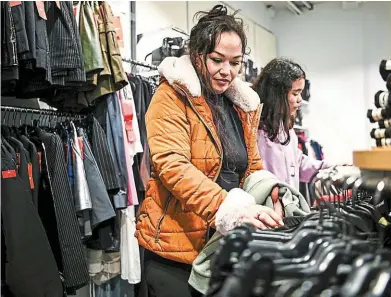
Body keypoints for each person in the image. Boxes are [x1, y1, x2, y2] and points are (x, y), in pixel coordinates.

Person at [135, 5, 284, 297]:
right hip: (175, 254)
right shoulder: (171, 97)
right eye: (217, 60)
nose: (227, 71)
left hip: (223, 251)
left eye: (235, 62)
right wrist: (228, 210)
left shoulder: (242, 106)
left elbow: (251, 165)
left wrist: (271, 194)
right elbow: (172, 166)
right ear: (196, 54)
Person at [253, 58, 332, 191]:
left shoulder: (286, 129)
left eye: (300, 93)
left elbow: (298, 164)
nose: (300, 100)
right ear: (276, 94)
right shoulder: (256, 132)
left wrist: (331, 167)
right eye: (295, 93)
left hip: (289, 206)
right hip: (267, 209)